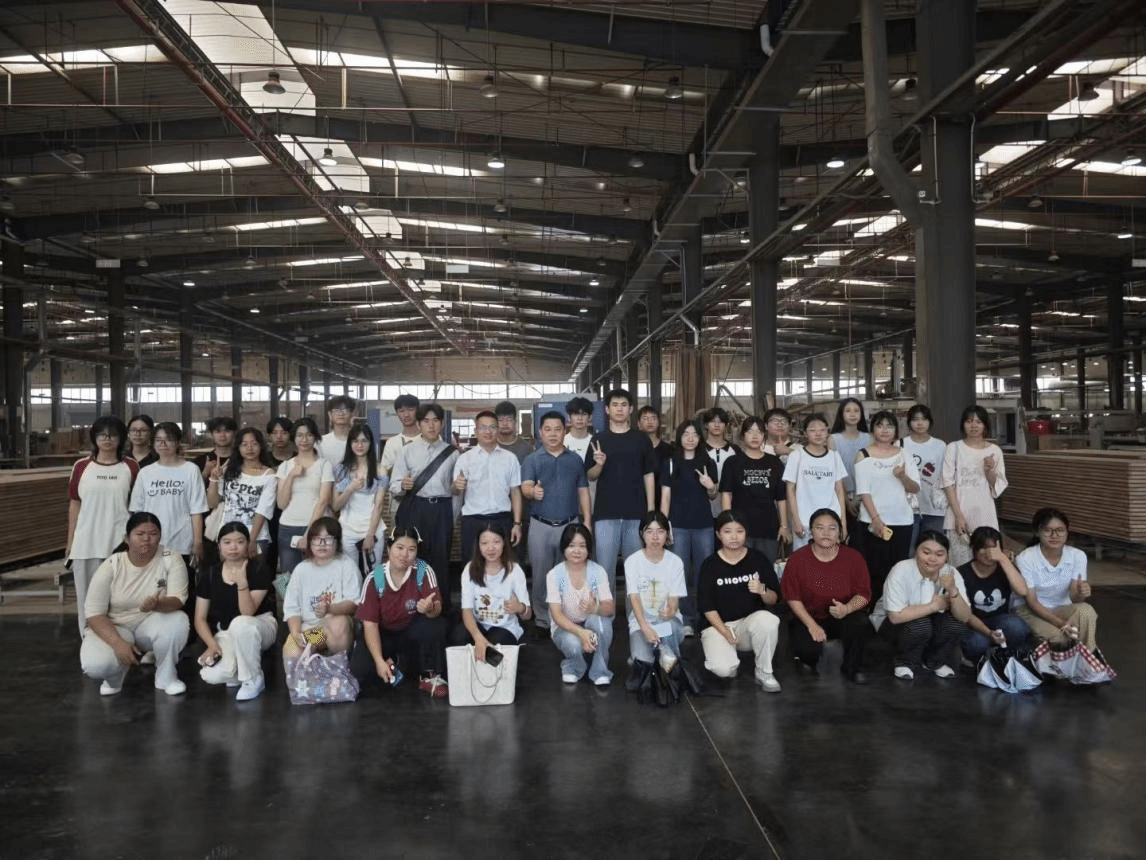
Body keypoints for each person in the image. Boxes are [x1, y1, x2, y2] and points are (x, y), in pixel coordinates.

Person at [79, 512, 190, 696]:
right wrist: (117, 643)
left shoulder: (171, 558)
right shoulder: (112, 564)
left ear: (160, 537)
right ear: (127, 538)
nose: (146, 539)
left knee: (178, 621)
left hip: (150, 622)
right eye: (140, 534)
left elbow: (178, 599)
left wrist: (158, 604)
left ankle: (167, 676)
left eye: (153, 534)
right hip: (116, 626)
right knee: (95, 665)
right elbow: (94, 614)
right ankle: (114, 678)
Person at [354, 525, 449, 697]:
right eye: (399, 547)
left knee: (436, 624)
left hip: (410, 632)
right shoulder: (375, 577)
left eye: (411, 549)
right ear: (389, 548)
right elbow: (370, 625)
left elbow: (437, 609)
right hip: (383, 634)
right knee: (360, 671)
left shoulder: (422, 570)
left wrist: (429, 609)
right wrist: (378, 661)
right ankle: (398, 663)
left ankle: (428, 675)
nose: (405, 554)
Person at [67, 416, 140, 634]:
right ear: (94, 438)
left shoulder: (131, 467)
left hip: (119, 544)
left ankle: (120, 641)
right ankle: (88, 639)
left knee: (119, 599)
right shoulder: (81, 467)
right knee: (87, 599)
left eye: (113, 435)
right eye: (102, 434)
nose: (107, 439)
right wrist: (70, 542)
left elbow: (136, 507)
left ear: (121, 438)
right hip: (86, 544)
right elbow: (74, 504)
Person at [782, 509, 872, 683]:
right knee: (807, 650)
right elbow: (791, 596)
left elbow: (864, 593)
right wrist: (812, 625)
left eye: (832, 528)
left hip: (841, 615)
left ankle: (853, 668)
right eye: (820, 528)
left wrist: (847, 608)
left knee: (860, 623)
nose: (826, 533)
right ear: (811, 531)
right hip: (807, 617)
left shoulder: (853, 557)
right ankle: (807, 662)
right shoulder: (797, 559)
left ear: (839, 532)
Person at [697, 511, 782, 692]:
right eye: (728, 531)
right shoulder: (709, 565)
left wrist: (762, 590)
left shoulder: (758, 559)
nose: (734, 537)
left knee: (768, 620)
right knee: (723, 670)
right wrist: (724, 631)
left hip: (747, 627)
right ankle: (729, 659)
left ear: (746, 533)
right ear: (718, 534)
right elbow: (706, 606)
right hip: (718, 627)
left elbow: (774, 599)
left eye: (739, 531)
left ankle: (764, 672)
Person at [521, 411, 591, 631]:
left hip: (570, 526)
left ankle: (567, 617)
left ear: (565, 431)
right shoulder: (532, 459)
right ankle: (543, 619)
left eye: (557, 429)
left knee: (570, 574)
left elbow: (583, 491)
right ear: (540, 433)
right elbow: (525, 487)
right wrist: (532, 492)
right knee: (541, 576)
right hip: (540, 526)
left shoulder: (575, 460)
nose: (553, 434)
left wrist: (587, 522)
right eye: (548, 429)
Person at [584, 387, 657, 596]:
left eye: (624, 405)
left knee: (636, 572)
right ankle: (606, 613)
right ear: (607, 410)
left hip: (636, 515)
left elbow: (649, 475)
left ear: (631, 409)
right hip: (606, 514)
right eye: (614, 405)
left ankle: (635, 614)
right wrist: (599, 464)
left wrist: (651, 511)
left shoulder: (641, 439)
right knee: (604, 571)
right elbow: (590, 476)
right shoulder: (598, 440)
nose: (619, 409)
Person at [194, 522, 277, 700]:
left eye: (240, 542)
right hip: (227, 631)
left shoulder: (259, 569)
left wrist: (242, 583)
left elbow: (247, 612)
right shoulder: (210, 574)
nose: (233, 547)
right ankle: (243, 665)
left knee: (241, 623)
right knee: (211, 675)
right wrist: (212, 645)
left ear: (248, 544)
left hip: (260, 625)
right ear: (219, 546)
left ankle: (253, 679)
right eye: (227, 542)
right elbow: (199, 618)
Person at [390, 403, 460, 607]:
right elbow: (394, 485)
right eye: (426, 421)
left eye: (435, 420)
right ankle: (411, 606)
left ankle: (440, 608)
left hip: (442, 510)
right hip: (415, 508)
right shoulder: (407, 451)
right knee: (413, 558)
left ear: (442, 423)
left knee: (441, 560)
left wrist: (451, 517)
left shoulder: (452, 453)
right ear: (419, 424)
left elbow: (457, 491)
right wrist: (402, 485)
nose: (431, 425)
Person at [880, 530, 972, 680]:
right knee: (921, 624)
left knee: (956, 624)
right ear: (916, 551)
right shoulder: (901, 569)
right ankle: (904, 662)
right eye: (926, 552)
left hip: (931, 624)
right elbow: (895, 617)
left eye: (939, 554)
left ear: (947, 556)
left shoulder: (951, 572)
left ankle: (933, 661)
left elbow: (965, 616)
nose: (932, 559)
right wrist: (935, 606)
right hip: (895, 626)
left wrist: (953, 590)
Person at [853, 410, 919, 601]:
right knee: (874, 569)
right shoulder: (863, 455)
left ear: (896, 430)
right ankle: (873, 608)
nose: (884, 430)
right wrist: (876, 519)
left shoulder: (904, 454)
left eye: (889, 426)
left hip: (902, 521)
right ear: (873, 429)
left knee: (898, 569)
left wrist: (902, 476)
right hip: (872, 522)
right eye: (880, 425)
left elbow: (915, 488)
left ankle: (895, 607)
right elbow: (863, 491)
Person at [659, 419, 717, 635]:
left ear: (700, 438)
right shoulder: (670, 462)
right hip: (678, 526)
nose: (690, 438)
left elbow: (713, 495)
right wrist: (664, 527)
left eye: (694, 434)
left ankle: (706, 617)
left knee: (705, 572)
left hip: (704, 525)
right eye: (686, 434)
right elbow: (665, 496)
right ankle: (685, 618)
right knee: (679, 573)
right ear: (679, 437)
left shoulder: (707, 462)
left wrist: (710, 487)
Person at [1014, 508, 1099, 651]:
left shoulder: (1077, 556)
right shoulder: (1025, 558)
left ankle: (1088, 656)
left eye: (1060, 530)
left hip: (1062, 608)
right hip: (1031, 610)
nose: (1054, 535)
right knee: (1060, 638)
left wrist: (1081, 593)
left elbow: (1075, 599)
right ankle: (1039, 656)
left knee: (1086, 611)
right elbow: (1031, 602)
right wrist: (1061, 624)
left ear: (1067, 532)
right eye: (1048, 530)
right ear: (1037, 532)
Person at [130, 421, 209, 569]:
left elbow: (197, 510)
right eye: (158, 440)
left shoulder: (191, 470)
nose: (163, 444)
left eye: (168, 440)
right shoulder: (145, 473)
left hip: (182, 543)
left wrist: (197, 541)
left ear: (178, 442)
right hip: (151, 543)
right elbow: (137, 511)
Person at [282, 517, 361, 660]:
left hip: (336, 628)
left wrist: (330, 609)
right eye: (317, 539)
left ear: (337, 542)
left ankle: (340, 668)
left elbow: (354, 604)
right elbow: (292, 609)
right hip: (314, 631)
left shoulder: (347, 565)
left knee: (337, 624)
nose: (322, 544)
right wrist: (295, 633)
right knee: (292, 651)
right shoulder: (301, 569)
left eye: (328, 539)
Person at [546, 523, 615, 686]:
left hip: (591, 623)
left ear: (588, 549)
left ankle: (600, 671)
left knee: (603, 624)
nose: (577, 551)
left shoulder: (597, 571)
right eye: (571, 546)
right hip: (565, 627)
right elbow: (556, 616)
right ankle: (573, 667)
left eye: (582, 546)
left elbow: (610, 608)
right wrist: (581, 633)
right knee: (574, 644)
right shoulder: (555, 574)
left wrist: (594, 608)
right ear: (564, 548)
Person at [941, 405, 1008, 567]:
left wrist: (989, 470)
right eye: (969, 421)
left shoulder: (995, 451)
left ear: (985, 425)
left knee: (987, 561)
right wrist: (958, 516)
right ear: (963, 424)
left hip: (985, 514)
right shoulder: (954, 448)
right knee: (960, 564)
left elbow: (997, 486)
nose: (974, 425)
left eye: (978, 422)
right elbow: (947, 483)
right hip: (958, 513)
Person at [453, 523, 531, 660]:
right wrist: (478, 637)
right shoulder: (470, 569)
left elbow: (528, 615)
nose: (490, 548)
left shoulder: (515, 570)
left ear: (504, 543)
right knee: (458, 637)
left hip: (505, 627)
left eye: (496, 542)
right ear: (478, 545)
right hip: (479, 625)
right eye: (484, 543)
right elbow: (467, 610)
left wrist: (520, 608)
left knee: (493, 648)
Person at [452, 409, 523, 558]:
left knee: (504, 564)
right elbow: (455, 491)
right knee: (472, 564)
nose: (488, 432)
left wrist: (517, 524)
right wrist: (457, 486)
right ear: (476, 431)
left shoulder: (510, 458)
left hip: (502, 519)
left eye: (492, 427)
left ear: (497, 430)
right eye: (483, 427)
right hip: (473, 520)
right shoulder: (465, 459)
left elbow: (515, 491)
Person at [956, 526, 1032, 662]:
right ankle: (979, 660)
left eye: (994, 549)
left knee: (1017, 627)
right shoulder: (962, 573)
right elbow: (966, 615)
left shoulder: (1005, 567)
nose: (989, 553)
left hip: (999, 619)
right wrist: (988, 633)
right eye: (983, 548)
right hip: (972, 623)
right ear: (974, 549)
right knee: (978, 642)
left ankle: (1006, 658)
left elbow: (1022, 591)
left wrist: (1003, 559)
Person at [719, 415, 789, 562]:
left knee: (766, 568)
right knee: (740, 568)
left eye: (759, 432)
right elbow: (726, 494)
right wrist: (728, 523)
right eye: (750, 431)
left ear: (764, 436)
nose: (755, 436)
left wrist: (783, 526)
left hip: (768, 527)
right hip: (740, 529)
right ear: (743, 435)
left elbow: (781, 498)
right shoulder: (732, 462)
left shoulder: (774, 462)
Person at [624, 512, 687, 671]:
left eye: (660, 531)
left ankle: (664, 651)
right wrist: (645, 626)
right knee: (643, 663)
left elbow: (674, 599)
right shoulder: (632, 561)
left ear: (667, 534)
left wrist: (671, 610)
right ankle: (659, 652)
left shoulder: (675, 562)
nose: (655, 537)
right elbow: (634, 597)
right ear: (642, 534)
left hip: (667, 624)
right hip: (641, 625)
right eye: (649, 531)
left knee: (669, 629)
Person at [275, 417, 334, 580]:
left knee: (319, 576)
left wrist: (309, 532)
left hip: (317, 528)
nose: (304, 439)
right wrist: (291, 476)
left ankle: (318, 600)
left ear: (315, 437)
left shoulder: (324, 465)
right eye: (300, 435)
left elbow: (323, 501)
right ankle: (286, 599)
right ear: (294, 438)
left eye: (309, 435)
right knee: (285, 577)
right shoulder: (285, 466)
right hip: (287, 527)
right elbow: (281, 504)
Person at [207, 427, 277, 556]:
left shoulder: (268, 475)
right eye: (244, 444)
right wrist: (213, 479)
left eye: (254, 444)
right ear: (238, 448)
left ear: (261, 446)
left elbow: (263, 511)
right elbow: (212, 503)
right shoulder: (229, 470)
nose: (249, 448)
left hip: (256, 537)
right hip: (227, 536)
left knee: (253, 569)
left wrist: (252, 540)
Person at [784, 414, 848, 550]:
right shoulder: (796, 455)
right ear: (805, 433)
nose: (818, 434)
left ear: (827, 432)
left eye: (822, 430)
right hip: (804, 521)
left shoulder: (834, 456)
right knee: (803, 558)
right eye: (813, 430)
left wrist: (843, 521)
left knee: (830, 557)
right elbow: (790, 489)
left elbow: (839, 490)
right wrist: (795, 520)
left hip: (831, 521)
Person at [331, 423, 387, 572]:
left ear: (370, 443)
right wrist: (351, 488)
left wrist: (370, 534)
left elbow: (379, 506)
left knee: (376, 572)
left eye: (364, 441)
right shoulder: (341, 470)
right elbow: (335, 505)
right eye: (355, 441)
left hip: (373, 528)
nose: (360, 445)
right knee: (351, 573)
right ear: (350, 444)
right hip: (348, 529)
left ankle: (377, 589)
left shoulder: (379, 470)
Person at [901, 404, 947, 551]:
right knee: (908, 551)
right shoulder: (901, 444)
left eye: (924, 419)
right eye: (915, 419)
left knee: (933, 551)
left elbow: (945, 476)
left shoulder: (940, 446)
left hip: (934, 509)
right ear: (909, 422)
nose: (920, 423)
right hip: (907, 508)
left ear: (930, 422)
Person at [829, 398, 871, 543]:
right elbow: (834, 473)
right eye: (848, 411)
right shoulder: (833, 439)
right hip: (840, 497)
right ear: (841, 414)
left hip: (866, 497)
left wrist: (862, 498)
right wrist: (847, 501)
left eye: (856, 411)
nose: (852, 414)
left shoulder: (869, 439)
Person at [380, 394, 421, 510]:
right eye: (401, 411)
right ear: (397, 413)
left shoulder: (428, 440)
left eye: (410, 410)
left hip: (424, 501)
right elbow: (385, 473)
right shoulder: (392, 443)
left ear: (418, 411)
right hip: (398, 503)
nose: (406, 415)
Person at [702, 406, 740, 518]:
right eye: (712, 421)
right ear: (706, 425)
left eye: (720, 422)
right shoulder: (699, 450)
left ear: (726, 425)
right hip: (704, 509)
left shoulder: (735, 450)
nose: (717, 425)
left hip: (730, 509)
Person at [563, 396, 598, 508]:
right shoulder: (562, 443)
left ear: (590, 417)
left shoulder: (597, 443)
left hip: (592, 500)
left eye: (584, 414)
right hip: (567, 501)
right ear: (569, 417)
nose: (579, 418)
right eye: (575, 414)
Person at [637, 405, 673, 501]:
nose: (650, 422)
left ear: (658, 423)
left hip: (663, 500)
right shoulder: (634, 449)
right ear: (639, 424)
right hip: (638, 500)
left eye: (653, 418)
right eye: (645, 418)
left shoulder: (669, 450)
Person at [319, 394, 358, 472]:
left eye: (345, 410)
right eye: (336, 410)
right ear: (330, 414)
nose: (341, 414)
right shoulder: (321, 442)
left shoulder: (359, 442)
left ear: (352, 414)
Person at [195, 416, 236, 485]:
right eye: (218, 431)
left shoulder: (242, 459)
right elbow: (192, 487)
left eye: (227, 431)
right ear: (212, 435)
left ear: (234, 434)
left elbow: (255, 470)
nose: (222, 435)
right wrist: (205, 473)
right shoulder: (201, 461)